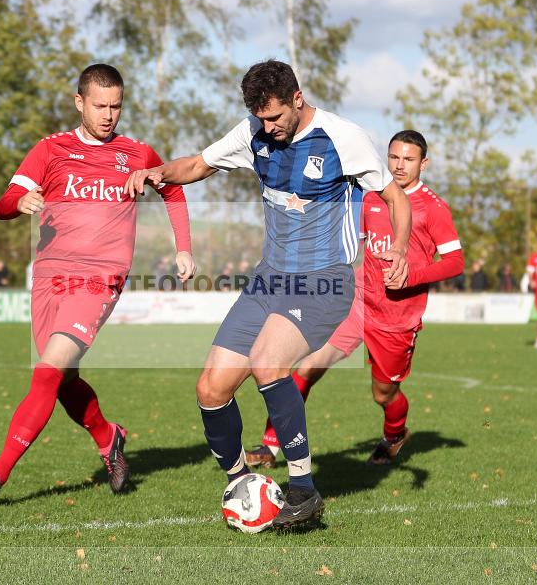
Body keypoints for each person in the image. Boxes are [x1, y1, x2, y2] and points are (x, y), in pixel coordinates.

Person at [125, 60, 410, 530]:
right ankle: (242, 484)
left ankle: (303, 488)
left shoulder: (343, 137)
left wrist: (398, 248)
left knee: (267, 362)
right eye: (261, 118)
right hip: (267, 280)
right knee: (211, 389)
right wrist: (158, 172)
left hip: (323, 281)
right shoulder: (254, 132)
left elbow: (394, 197)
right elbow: (198, 164)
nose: (269, 127)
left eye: (275, 117)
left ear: (297, 99)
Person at [0, 64, 195, 505]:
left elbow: (174, 190)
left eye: (116, 106)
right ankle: (110, 438)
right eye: (100, 106)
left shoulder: (138, 153)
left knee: (46, 374)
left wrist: (183, 247)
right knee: (63, 381)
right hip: (49, 277)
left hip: (99, 277)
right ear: (79, 103)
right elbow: (2, 203)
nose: (109, 115)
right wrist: (20, 201)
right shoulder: (50, 150)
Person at [244, 130, 463, 469]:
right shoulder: (372, 196)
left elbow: (455, 262)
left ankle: (394, 435)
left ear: (424, 163)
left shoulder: (432, 208)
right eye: (394, 158)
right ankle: (270, 445)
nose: (400, 166)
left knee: (383, 394)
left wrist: (412, 276)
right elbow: (351, 245)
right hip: (357, 302)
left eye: (408, 159)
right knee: (306, 368)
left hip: (397, 319)